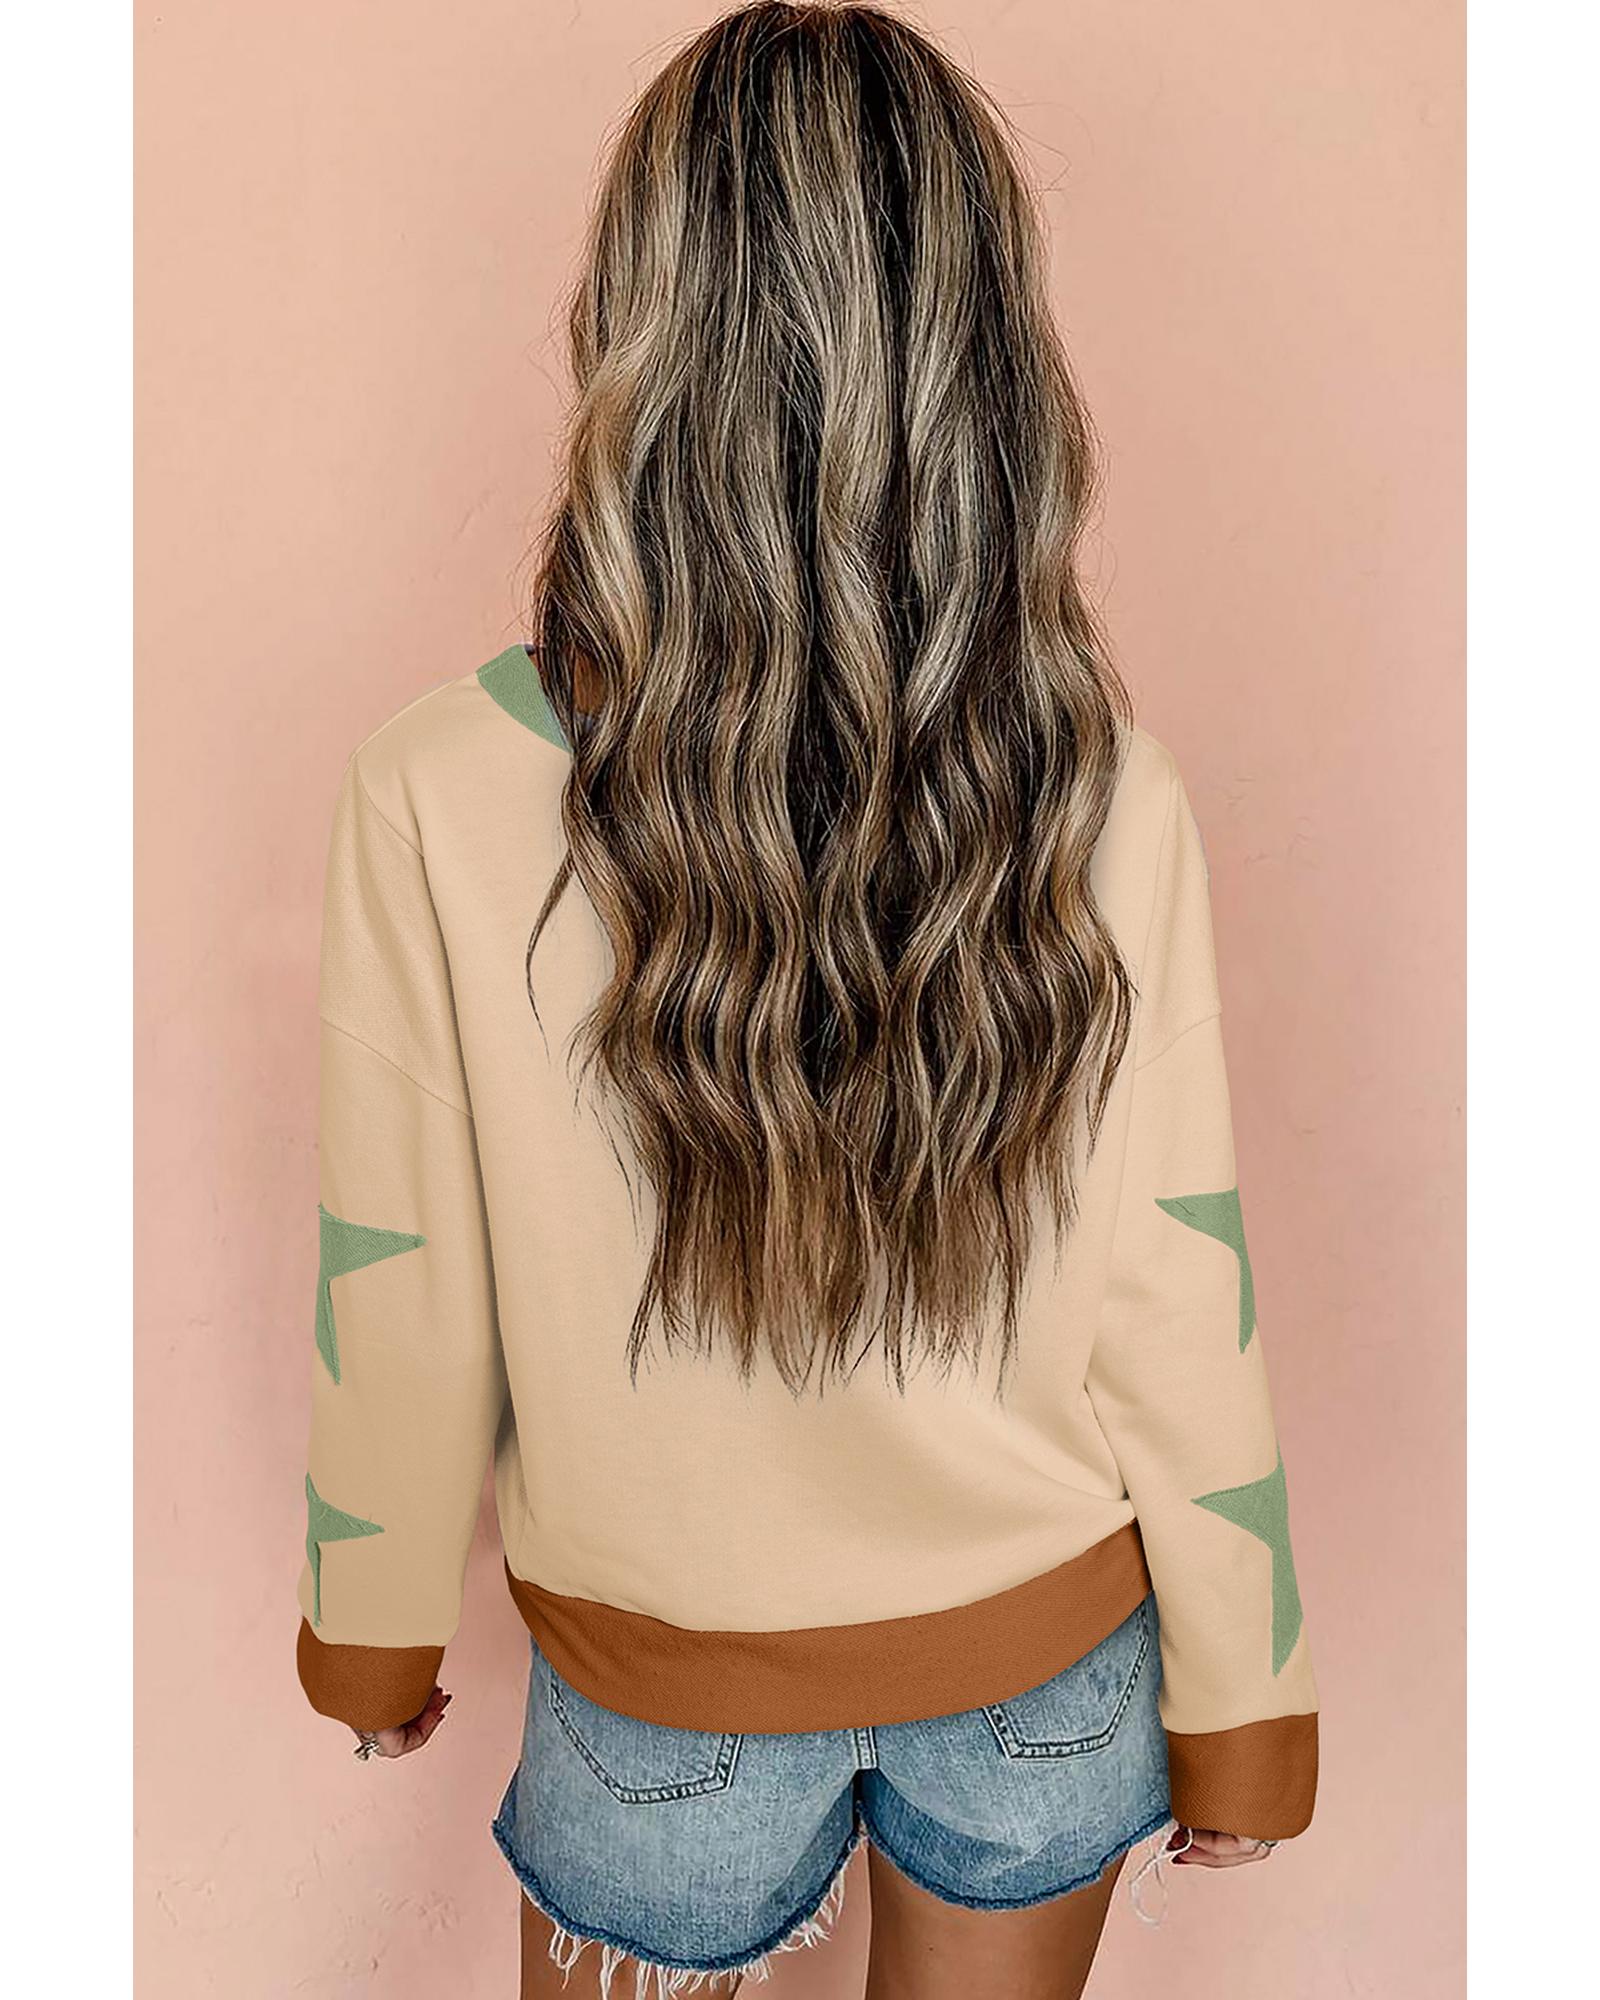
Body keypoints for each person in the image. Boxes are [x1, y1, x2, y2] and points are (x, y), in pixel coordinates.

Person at [292, 5, 1318, 1995]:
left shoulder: (434, 784)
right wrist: (1248, 1701)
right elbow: (1174, 1280)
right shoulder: (1098, 781)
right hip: (1048, 1679)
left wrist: (375, 1625)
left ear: (633, 321)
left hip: (658, 1697)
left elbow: (402, 1277)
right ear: (982, 357)